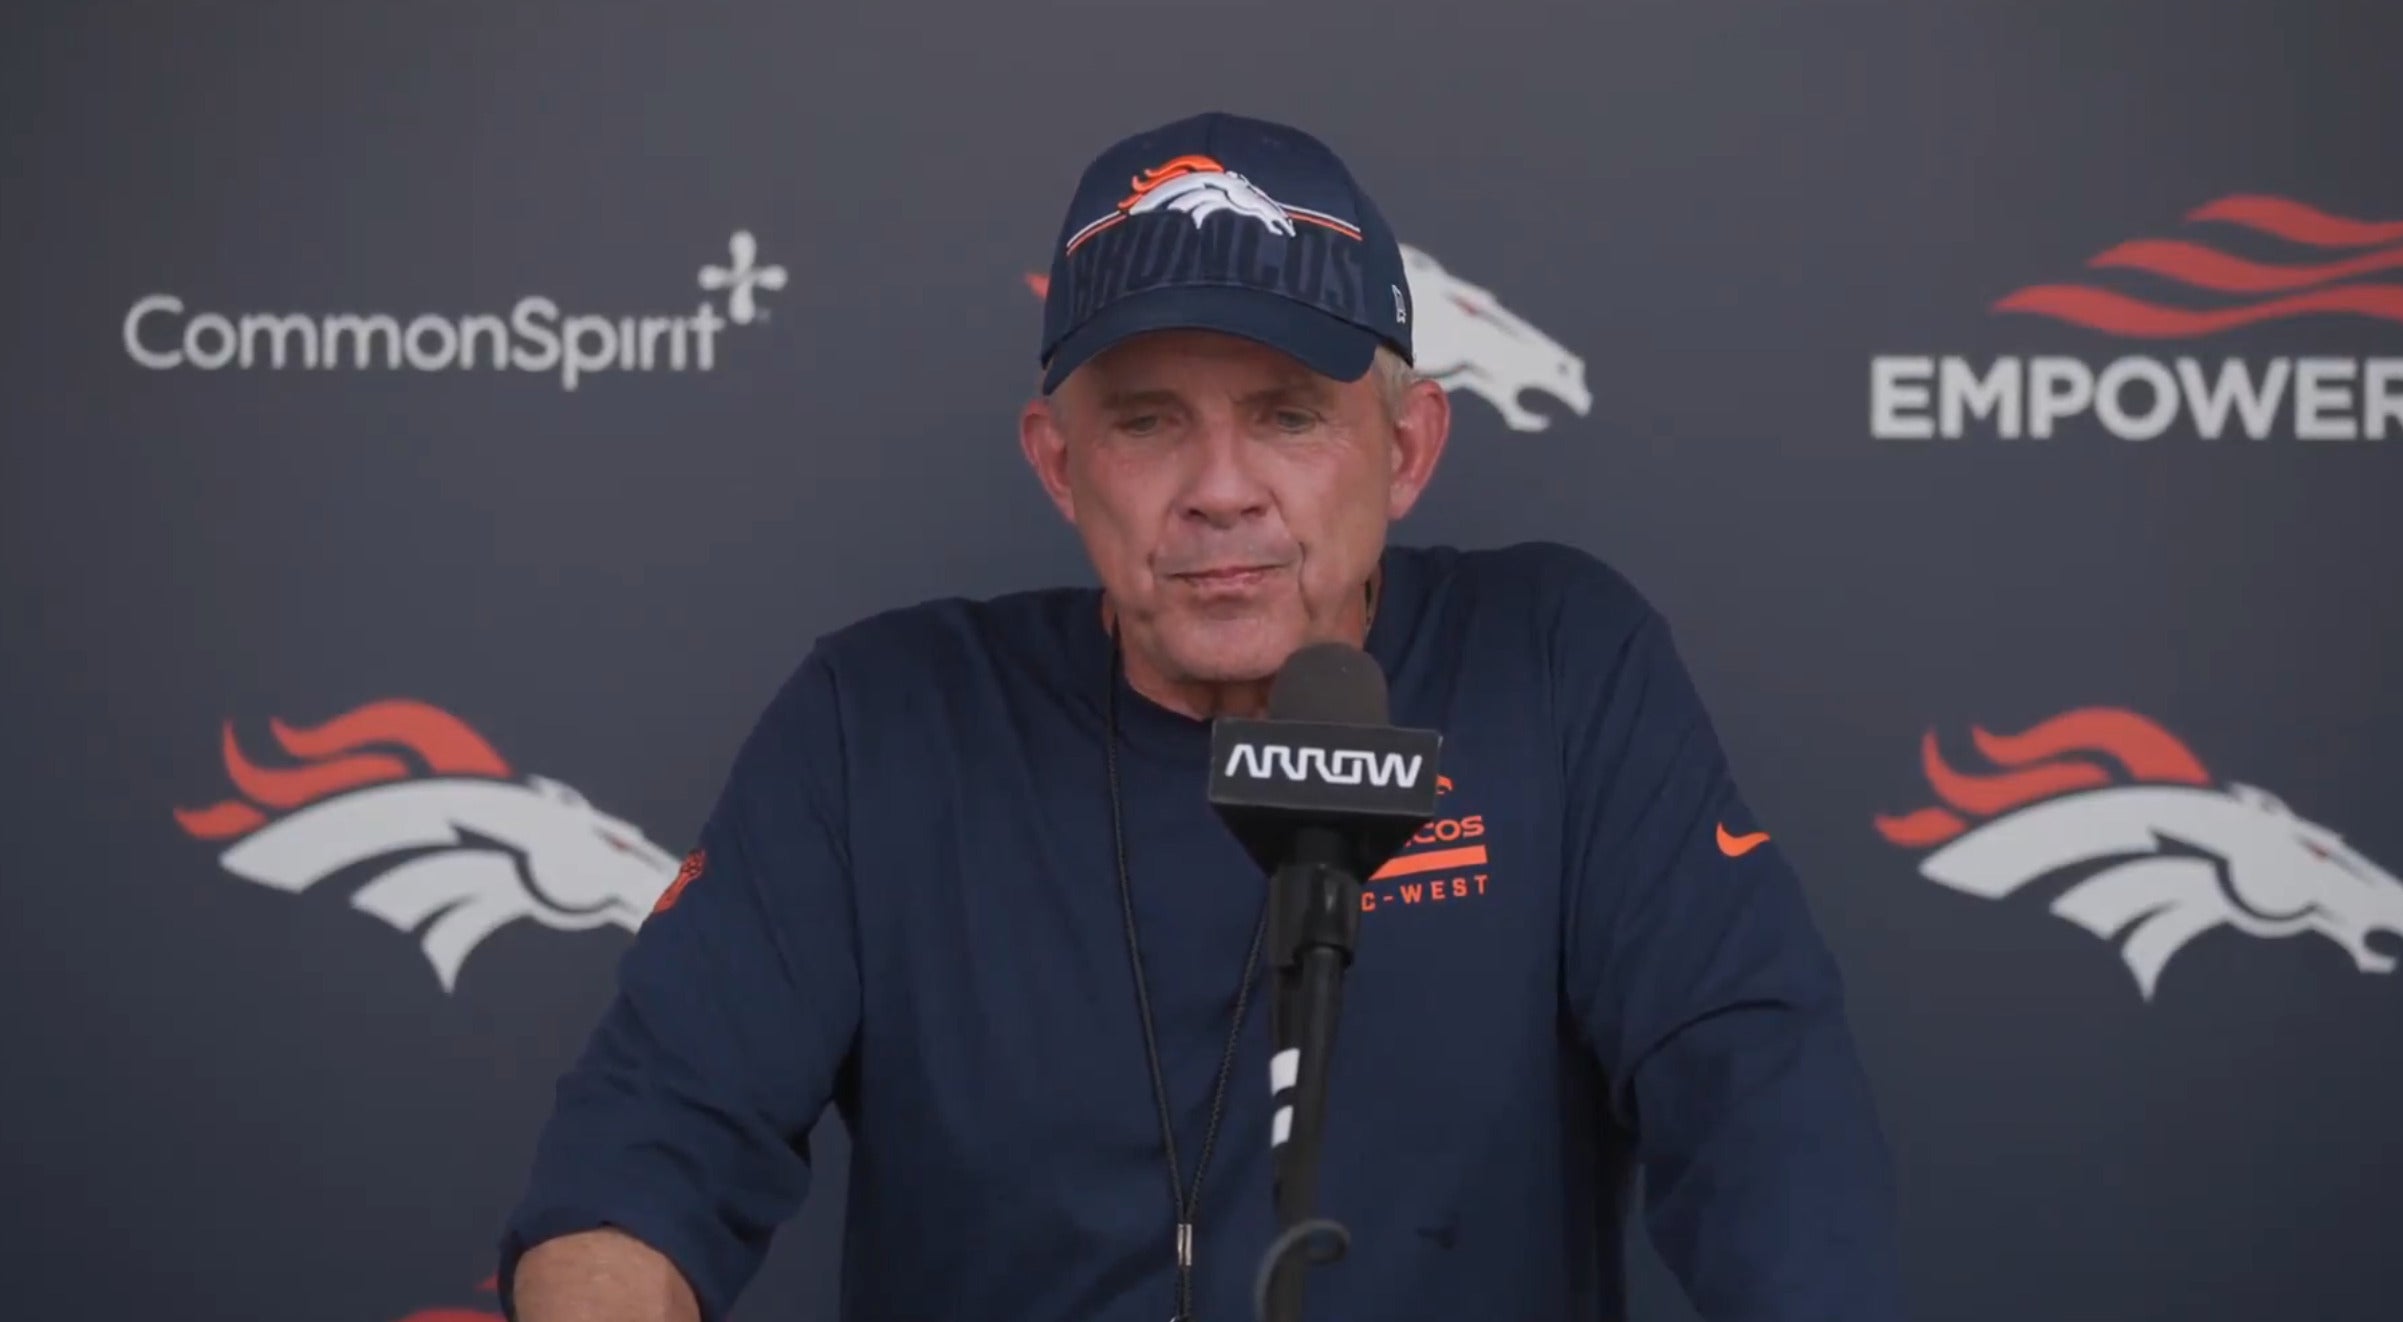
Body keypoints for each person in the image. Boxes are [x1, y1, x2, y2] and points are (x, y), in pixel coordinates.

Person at [496, 110, 1907, 1322]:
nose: (1221, 489)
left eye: (1290, 415)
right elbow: (643, 1153)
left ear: (1406, 451)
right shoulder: (884, 723)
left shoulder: (1553, 664)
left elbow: (1758, 1100)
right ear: (1059, 462)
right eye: (1150, 419)